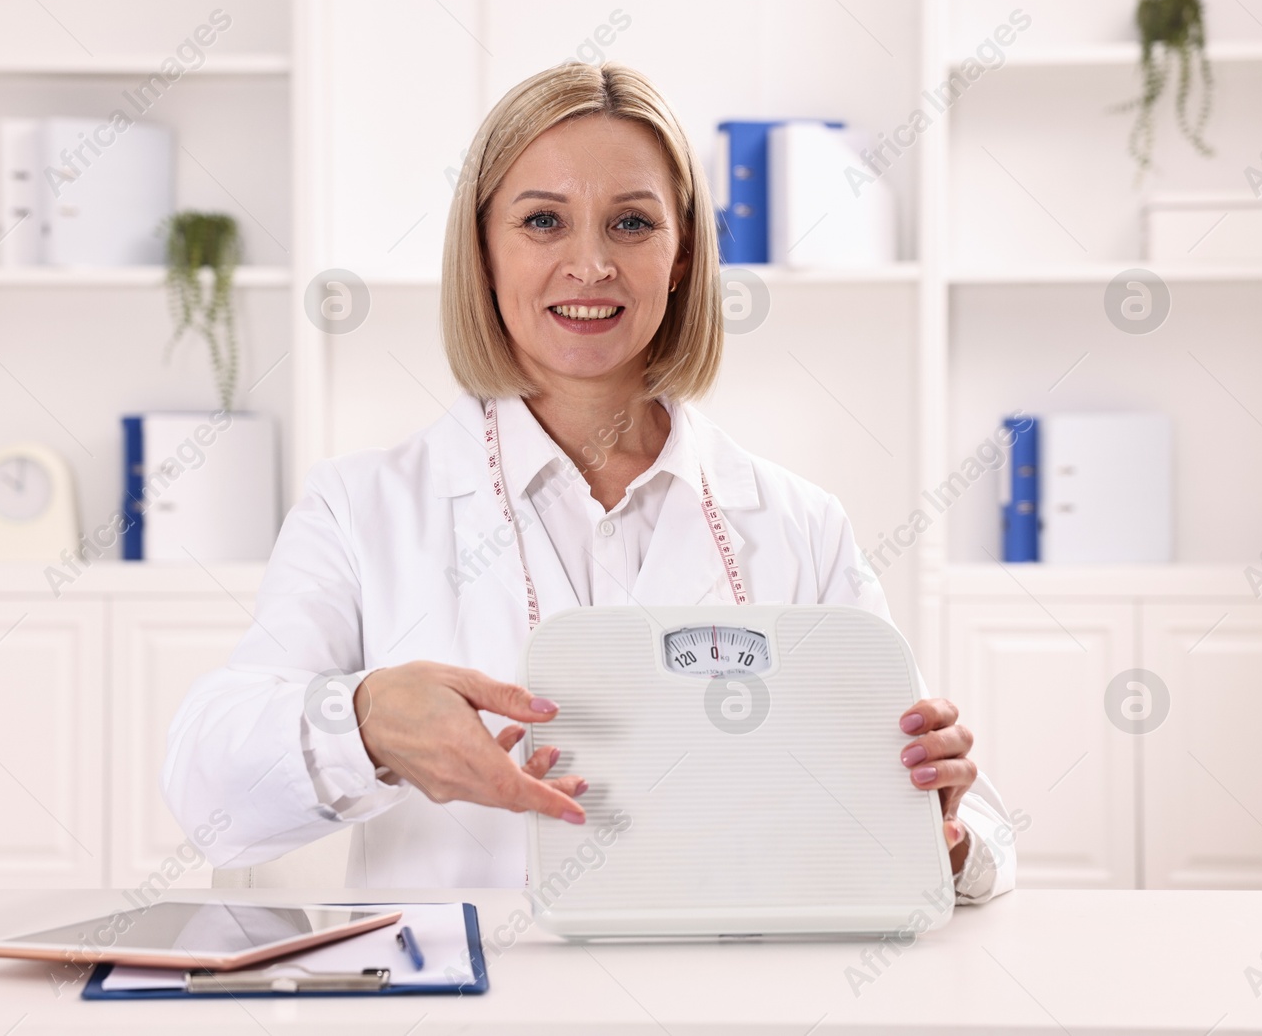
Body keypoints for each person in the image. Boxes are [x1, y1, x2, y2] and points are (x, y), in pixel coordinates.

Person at [162, 60, 1016, 903]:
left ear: (681, 254)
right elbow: (208, 795)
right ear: (484, 253)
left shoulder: (798, 524)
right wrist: (367, 722)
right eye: (542, 221)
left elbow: (967, 827)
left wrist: (941, 829)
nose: (590, 264)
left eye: (632, 224)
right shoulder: (361, 509)